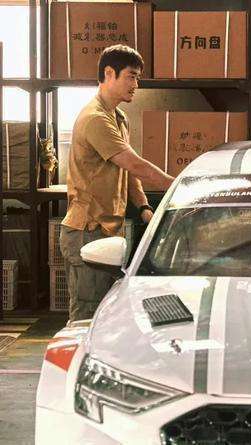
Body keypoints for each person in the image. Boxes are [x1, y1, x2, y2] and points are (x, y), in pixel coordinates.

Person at [60, 44, 174, 322]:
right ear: (109, 73)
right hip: (88, 231)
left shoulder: (118, 118)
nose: (136, 85)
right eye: (131, 76)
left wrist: (144, 206)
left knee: (108, 315)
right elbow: (136, 164)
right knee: (88, 316)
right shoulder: (96, 119)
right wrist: (182, 185)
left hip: (110, 230)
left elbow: (128, 171)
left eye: (138, 78)